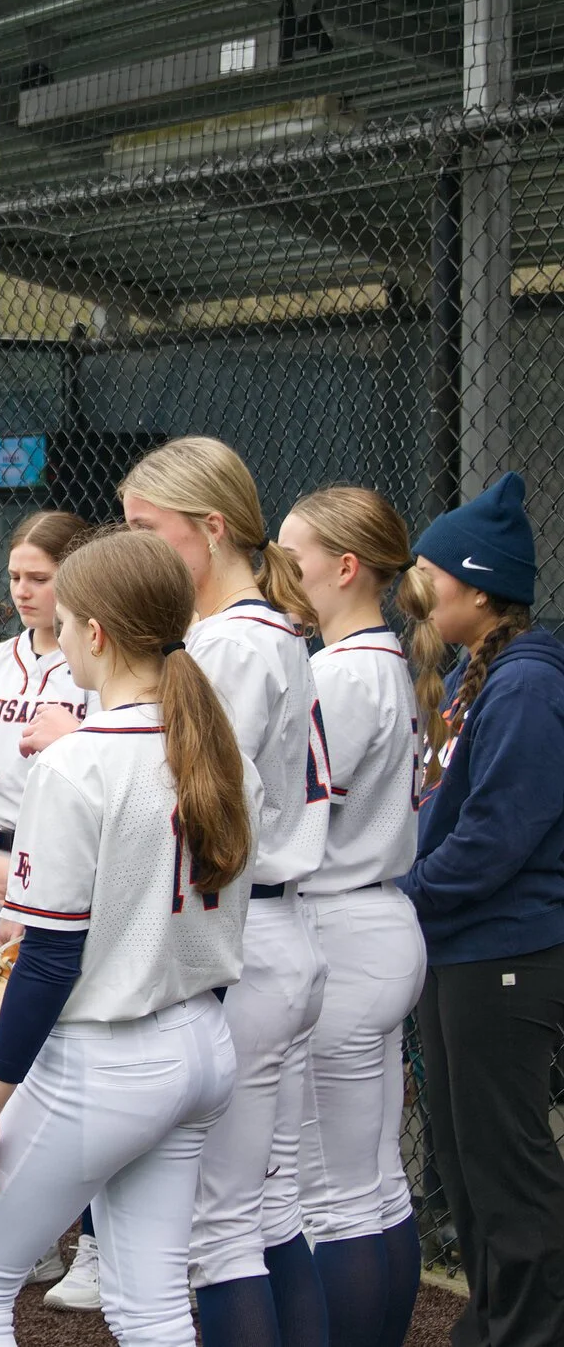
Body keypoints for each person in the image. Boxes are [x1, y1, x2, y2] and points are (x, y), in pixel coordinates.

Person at [0, 526, 253, 1347]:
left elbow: (47, 963)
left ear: (98, 634)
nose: (58, 635)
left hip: (108, 1057)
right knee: (150, 1308)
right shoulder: (212, 745)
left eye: (67, 621)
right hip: (202, 1041)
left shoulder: (79, 763)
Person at [109, 436, 331, 1347]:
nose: (131, 548)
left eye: (145, 529)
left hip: (248, 939)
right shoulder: (256, 628)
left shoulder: (231, 641)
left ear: (210, 528)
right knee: (269, 1217)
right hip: (279, 933)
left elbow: (200, 807)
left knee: (222, 1231)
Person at [397, 473, 564, 1347]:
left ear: (477, 582)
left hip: (505, 952)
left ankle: (530, 1327)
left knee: (505, 1162)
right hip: (457, 948)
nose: (419, 587)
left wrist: (404, 899)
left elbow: (499, 835)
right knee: (461, 1161)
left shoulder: (527, 684)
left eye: (432, 572)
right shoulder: (474, 672)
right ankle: (496, 1320)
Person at [275, 488, 434, 1347]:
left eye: (294, 554)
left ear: (345, 567)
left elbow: (297, 820)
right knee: (373, 1184)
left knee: (330, 1197)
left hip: (338, 925)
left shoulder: (335, 672)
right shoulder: (384, 659)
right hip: (380, 920)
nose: (282, 568)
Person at [0, 509, 98, 1305]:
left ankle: (97, 1244)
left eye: (40, 577)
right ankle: (25, 1233)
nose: (24, 591)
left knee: (71, 1039)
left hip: (73, 862)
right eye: (16, 577)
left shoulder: (94, 660)